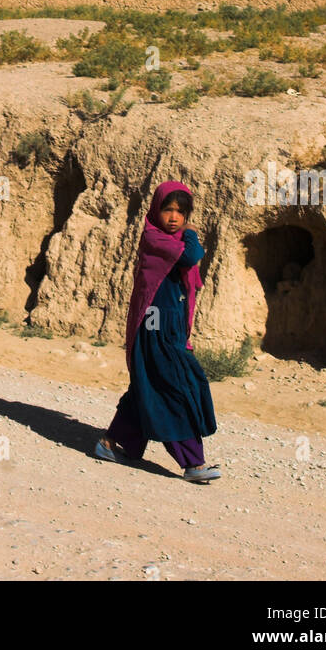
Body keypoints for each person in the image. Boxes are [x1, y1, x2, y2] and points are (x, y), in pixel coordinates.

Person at [94, 179, 221, 483]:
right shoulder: (155, 238)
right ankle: (192, 463)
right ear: (156, 210)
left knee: (147, 388)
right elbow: (192, 256)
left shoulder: (172, 239)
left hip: (169, 330)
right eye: (168, 210)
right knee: (172, 389)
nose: (174, 217)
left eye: (181, 212)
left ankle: (111, 443)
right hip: (153, 330)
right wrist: (191, 233)